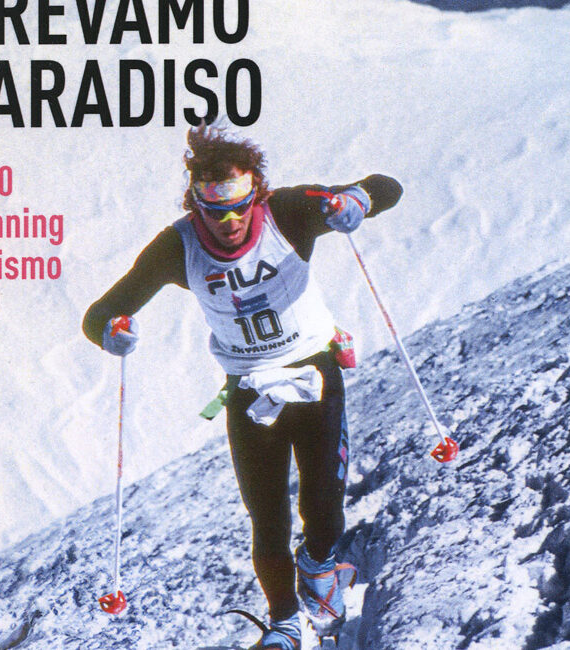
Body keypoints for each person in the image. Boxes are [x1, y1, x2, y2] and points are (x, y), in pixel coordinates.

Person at [83, 124, 402, 650]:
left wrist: (355, 203)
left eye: (239, 207)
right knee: (267, 518)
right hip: (250, 391)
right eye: (215, 211)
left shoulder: (288, 212)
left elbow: (385, 187)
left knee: (324, 506)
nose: (230, 222)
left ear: (257, 193)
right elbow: (101, 312)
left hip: (314, 374)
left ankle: (319, 565)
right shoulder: (178, 245)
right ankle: (285, 622)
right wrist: (111, 332)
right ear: (196, 203)